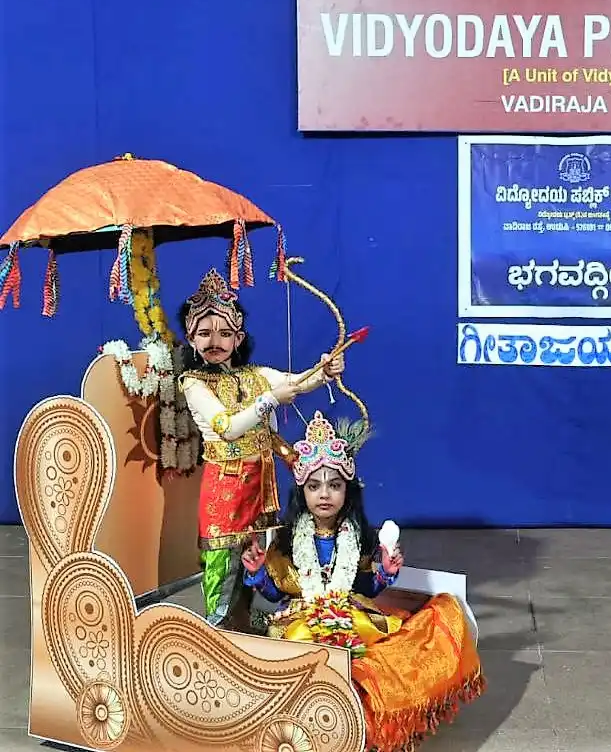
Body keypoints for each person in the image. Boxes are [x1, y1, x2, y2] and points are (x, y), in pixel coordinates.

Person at [240, 411, 485, 752]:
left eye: (334, 485)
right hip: (299, 617)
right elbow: (275, 591)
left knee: (383, 654)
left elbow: (368, 588)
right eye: (314, 486)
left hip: (351, 610)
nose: (324, 495)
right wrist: (256, 573)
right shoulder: (287, 539)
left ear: (348, 490)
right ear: (302, 492)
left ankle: (361, 726)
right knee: (302, 643)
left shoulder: (358, 536)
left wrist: (385, 570)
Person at [177, 268, 345, 628]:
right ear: (191, 340)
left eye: (224, 333)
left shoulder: (255, 375)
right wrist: (269, 400)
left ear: (238, 338)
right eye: (204, 334)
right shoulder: (192, 382)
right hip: (223, 490)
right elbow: (227, 427)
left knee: (255, 561)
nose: (214, 342)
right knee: (222, 566)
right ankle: (218, 634)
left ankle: (243, 629)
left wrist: (326, 371)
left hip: (258, 487)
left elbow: (296, 384)